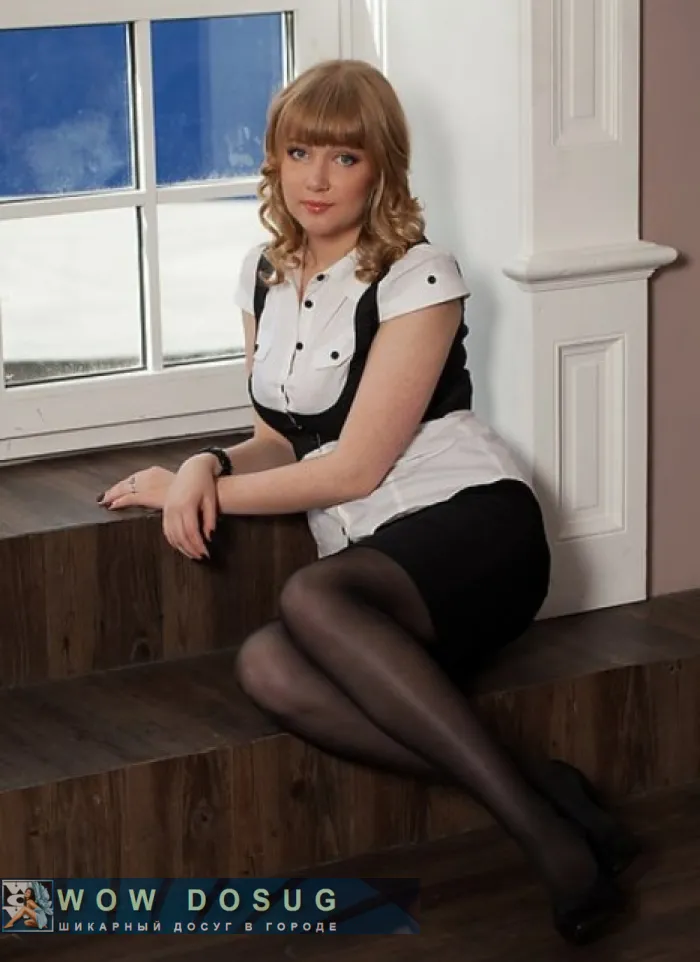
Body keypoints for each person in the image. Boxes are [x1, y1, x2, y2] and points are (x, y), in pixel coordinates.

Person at [101, 59, 639, 944]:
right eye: (299, 152)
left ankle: (552, 844)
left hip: (474, 526)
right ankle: (543, 788)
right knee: (266, 667)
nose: (316, 178)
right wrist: (202, 461)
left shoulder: (418, 275)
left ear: (381, 168)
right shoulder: (263, 274)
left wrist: (208, 491)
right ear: (274, 160)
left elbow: (352, 470)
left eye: (344, 158)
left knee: (312, 595)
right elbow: (282, 434)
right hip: (375, 558)